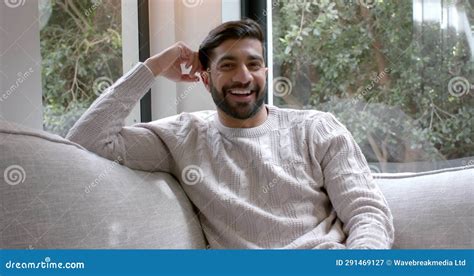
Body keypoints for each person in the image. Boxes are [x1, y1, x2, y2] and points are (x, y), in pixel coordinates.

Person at [67, 19, 394, 249]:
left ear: (265, 72)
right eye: (227, 65)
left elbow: (367, 213)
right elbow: (85, 141)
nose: (243, 76)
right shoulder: (184, 136)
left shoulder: (317, 128)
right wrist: (152, 67)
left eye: (254, 64)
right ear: (206, 79)